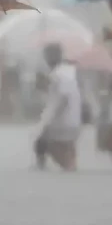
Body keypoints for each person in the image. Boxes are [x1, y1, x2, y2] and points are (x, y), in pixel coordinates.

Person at [33, 43, 82, 172]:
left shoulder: (58, 74)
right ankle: (71, 166)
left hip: (62, 121)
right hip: (74, 120)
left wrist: (50, 119)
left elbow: (63, 97)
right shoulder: (68, 71)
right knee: (68, 146)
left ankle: (68, 166)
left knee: (43, 142)